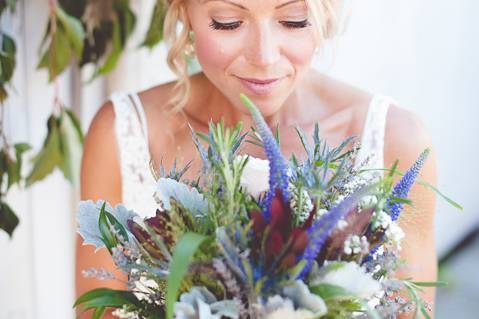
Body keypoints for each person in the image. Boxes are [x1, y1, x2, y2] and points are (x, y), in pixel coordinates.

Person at [76, 0, 438, 318]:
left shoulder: (395, 140)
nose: (264, 57)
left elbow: (410, 309)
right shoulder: (125, 132)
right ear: (183, 10)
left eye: (294, 19)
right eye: (228, 22)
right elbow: (99, 308)